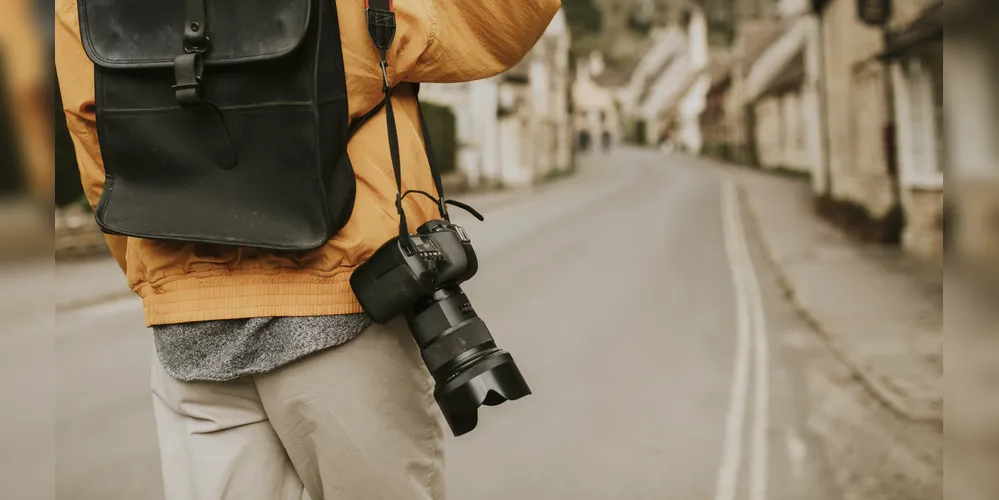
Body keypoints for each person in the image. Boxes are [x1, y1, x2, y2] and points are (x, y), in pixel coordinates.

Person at [54, 0, 561, 499]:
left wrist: (165, 284)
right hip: (346, 306)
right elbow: (504, 19)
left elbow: (97, 142)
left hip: (191, 332)